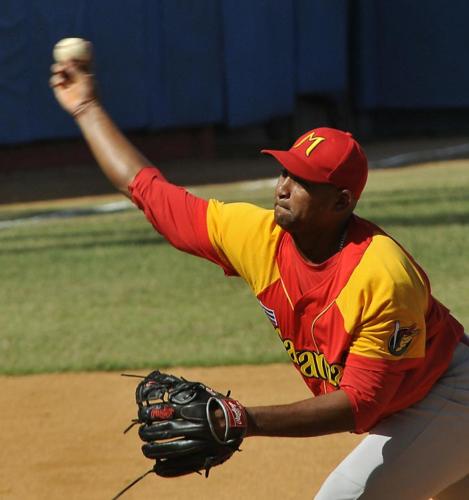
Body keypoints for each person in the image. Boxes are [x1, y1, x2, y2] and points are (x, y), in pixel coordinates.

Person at [50, 60, 469, 500]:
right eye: (285, 171)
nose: (283, 187)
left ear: (341, 201)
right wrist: (86, 107)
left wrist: (244, 419)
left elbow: (361, 404)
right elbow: (150, 192)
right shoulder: (259, 236)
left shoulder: (382, 277)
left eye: (303, 180)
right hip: (416, 405)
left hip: (450, 398)